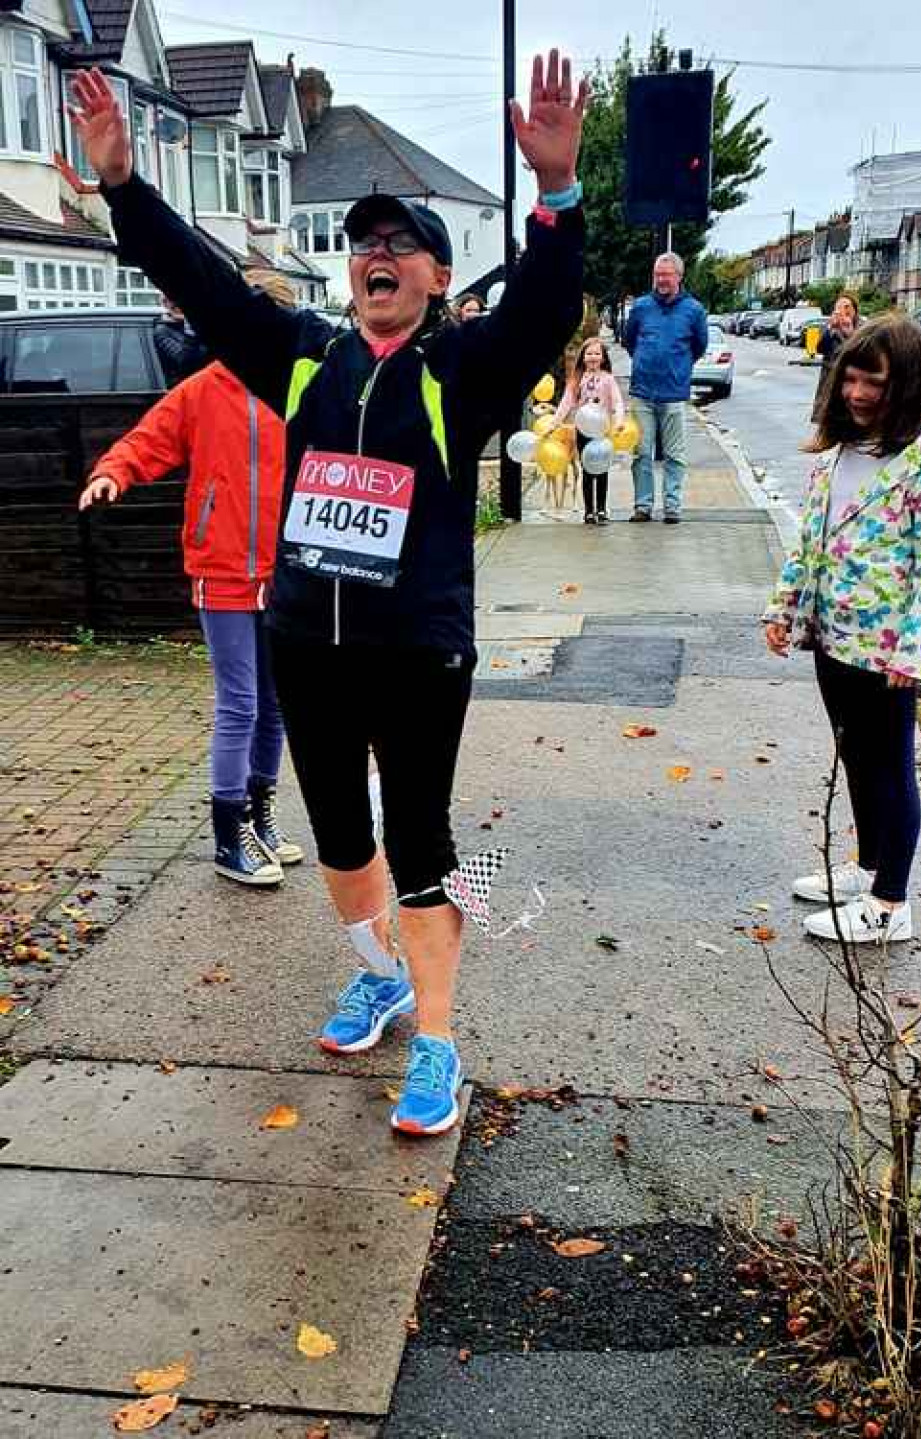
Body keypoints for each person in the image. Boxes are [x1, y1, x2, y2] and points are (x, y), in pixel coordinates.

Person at [69, 50, 587, 1136]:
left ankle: (437, 1043)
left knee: (423, 847)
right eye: (364, 245)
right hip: (306, 639)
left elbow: (543, 313)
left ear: (439, 278)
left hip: (416, 651)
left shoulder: (462, 371)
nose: (377, 255)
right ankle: (378, 973)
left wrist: (558, 196)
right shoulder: (302, 357)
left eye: (401, 245)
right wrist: (123, 186)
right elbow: (208, 287)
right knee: (343, 841)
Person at [79, 269, 303, 889]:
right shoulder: (205, 389)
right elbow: (146, 441)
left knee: (276, 707)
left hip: (282, 574)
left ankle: (259, 818)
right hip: (222, 568)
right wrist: (113, 474)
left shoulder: (298, 388)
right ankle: (228, 838)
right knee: (240, 703)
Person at [763, 315, 921, 944]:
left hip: (886, 652)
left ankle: (889, 904)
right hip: (833, 636)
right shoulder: (838, 449)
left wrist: (911, 654)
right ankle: (868, 867)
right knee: (855, 755)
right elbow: (811, 538)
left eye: (872, 382)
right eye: (850, 378)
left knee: (890, 767)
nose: (856, 393)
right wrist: (784, 608)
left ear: (904, 384)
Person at [623, 252, 708, 523]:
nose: (661, 280)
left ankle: (672, 506)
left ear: (679, 277)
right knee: (640, 453)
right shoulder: (641, 307)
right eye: (658, 274)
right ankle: (643, 506)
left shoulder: (694, 310)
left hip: (673, 393)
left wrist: (678, 366)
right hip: (642, 392)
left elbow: (699, 346)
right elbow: (629, 341)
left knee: (675, 454)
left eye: (667, 275)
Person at [551, 336, 625, 523]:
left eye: (597, 353)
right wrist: (555, 422)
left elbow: (617, 401)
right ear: (583, 357)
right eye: (589, 353)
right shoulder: (577, 379)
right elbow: (567, 401)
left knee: (602, 469)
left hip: (602, 430)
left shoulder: (608, 379)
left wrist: (619, 420)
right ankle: (588, 510)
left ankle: (601, 508)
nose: (593, 357)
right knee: (587, 469)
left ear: (603, 357)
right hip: (583, 430)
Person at [811, 292, 860, 422]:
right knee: (829, 424)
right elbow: (820, 348)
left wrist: (850, 333)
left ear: (854, 310)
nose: (843, 311)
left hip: (852, 382)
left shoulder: (862, 328)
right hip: (831, 382)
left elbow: (863, 352)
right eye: (839, 307)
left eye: (847, 306)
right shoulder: (831, 327)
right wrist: (830, 329)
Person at [153, 298, 208, 387]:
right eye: (176, 306)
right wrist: (190, 331)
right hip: (183, 387)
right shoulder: (162, 330)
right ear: (166, 304)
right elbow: (184, 360)